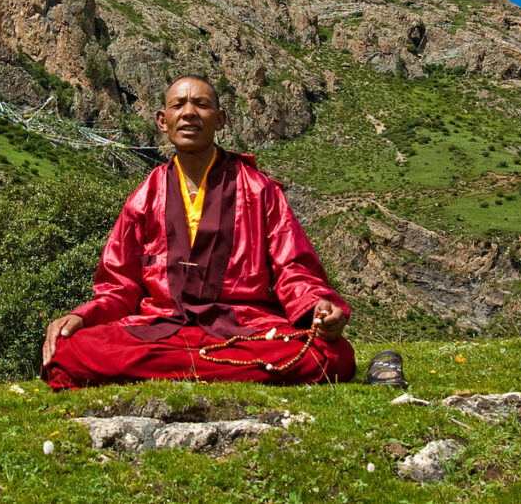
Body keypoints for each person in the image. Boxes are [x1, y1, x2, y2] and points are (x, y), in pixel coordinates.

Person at [40, 75, 356, 390]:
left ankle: (174, 369)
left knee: (333, 353)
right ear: (163, 121)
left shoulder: (259, 190)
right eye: (178, 105)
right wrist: (82, 317)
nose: (189, 113)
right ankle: (219, 368)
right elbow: (120, 286)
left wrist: (318, 307)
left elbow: (294, 268)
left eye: (201, 105)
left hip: (244, 326)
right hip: (161, 325)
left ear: (220, 120)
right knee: (68, 351)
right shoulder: (145, 197)